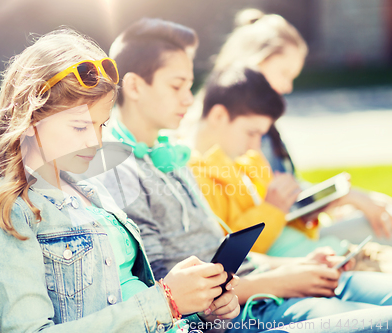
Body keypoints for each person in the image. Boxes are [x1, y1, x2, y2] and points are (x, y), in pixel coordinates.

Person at [102, 17, 392, 333]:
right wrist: (283, 281)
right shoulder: (121, 172)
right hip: (241, 311)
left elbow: (223, 252)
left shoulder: (172, 156)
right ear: (133, 86)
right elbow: (163, 286)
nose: (188, 98)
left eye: (189, 85)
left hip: (262, 288)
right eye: (176, 86)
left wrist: (299, 267)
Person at [0, 28, 241, 333]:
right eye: (80, 127)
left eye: (102, 125)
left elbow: (132, 293)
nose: (96, 142)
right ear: (29, 120)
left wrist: (202, 306)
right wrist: (165, 302)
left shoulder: (89, 190)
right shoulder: (8, 211)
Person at [203, 8, 392, 249]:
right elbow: (263, 204)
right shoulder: (226, 128)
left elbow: (284, 189)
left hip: (288, 232)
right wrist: (342, 197)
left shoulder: (261, 127)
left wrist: (333, 202)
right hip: (276, 244)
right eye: (284, 73)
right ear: (253, 63)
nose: (288, 86)